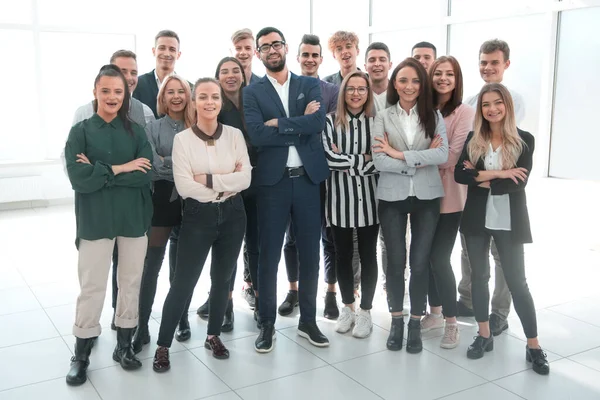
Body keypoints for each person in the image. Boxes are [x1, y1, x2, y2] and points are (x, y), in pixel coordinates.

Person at [153, 78, 251, 372]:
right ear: (194, 102)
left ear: (221, 102)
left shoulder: (234, 135)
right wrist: (225, 181)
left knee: (222, 280)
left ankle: (213, 336)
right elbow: (184, 187)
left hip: (234, 215)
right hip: (198, 217)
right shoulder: (183, 140)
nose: (210, 102)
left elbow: (244, 179)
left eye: (215, 97)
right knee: (183, 283)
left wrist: (208, 180)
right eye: (204, 97)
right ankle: (163, 345)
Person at [64, 65, 153, 385]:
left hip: (133, 218)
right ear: (95, 92)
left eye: (118, 91)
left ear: (125, 94)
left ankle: (125, 346)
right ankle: (81, 353)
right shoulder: (81, 132)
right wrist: (121, 168)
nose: (112, 96)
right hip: (95, 219)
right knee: (92, 286)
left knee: (130, 283)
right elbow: (78, 178)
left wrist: (100, 173)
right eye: (106, 90)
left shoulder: (137, 131)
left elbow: (146, 173)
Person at [244, 26, 330, 353]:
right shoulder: (253, 92)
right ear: (258, 54)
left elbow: (318, 123)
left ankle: (308, 321)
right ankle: (267, 324)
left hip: (307, 181)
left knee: (310, 254)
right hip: (272, 184)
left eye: (276, 44)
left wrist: (279, 124)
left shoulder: (309, 84)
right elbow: (256, 134)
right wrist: (298, 124)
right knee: (268, 255)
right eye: (264, 47)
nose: (271, 50)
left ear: (285, 47)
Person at [454, 83, 549, 375]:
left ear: (507, 106)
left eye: (497, 103)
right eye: (486, 104)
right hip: (475, 221)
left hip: (509, 221)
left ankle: (533, 344)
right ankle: (484, 334)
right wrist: (500, 172)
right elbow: (460, 174)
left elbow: (517, 183)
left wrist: (480, 177)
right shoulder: (473, 139)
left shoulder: (524, 140)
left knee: (517, 283)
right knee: (479, 278)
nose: (492, 109)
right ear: (480, 109)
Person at [372, 57, 448, 354]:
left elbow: (442, 154)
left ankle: (415, 321)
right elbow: (379, 160)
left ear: (422, 85)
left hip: (427, 197)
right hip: (392, 196)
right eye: (403, 80)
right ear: (394, 83)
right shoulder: (383, 116)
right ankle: (396, 320)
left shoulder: (433, 115)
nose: (409, 86)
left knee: (419, 262)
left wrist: (400, 154)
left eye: (416, 81)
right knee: (395, 261)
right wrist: (417, 160)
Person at [459, 39, 525, 335]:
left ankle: (499, 312)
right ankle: (471, 300)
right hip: (474, 197)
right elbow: (468, 160)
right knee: (470, 252)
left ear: (506, 65)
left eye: (494, 62)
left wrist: (483, 172)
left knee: (501, 257)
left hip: (503, 197)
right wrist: (487, 172)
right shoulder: (472, 100)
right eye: (483, 62)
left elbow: (508, 152)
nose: (488, 67)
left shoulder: (515, 100)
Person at [278, 33, 340, 319]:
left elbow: (331, 132)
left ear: (321, 59)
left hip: (325, 173)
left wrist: (302, 123)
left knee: (328, 236)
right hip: (294, 173)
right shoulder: (286, 87)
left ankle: (330, 293)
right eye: (306, 55)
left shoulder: (332, 91)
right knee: (292, 238)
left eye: (315, 55)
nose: (311, 59)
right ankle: (293, 290)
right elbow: (287, 127)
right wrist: (305, 120)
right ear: (298, 57)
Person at [132, 75, 195, 354]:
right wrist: (180, 165)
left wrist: (169, 162)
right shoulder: (152, 127)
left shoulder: (198, 127)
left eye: (181, 91)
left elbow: (201, 165)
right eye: (170, 91)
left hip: (192, 201)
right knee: (151, 266)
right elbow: (153, 167)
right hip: (161, 200)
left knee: (182, 269)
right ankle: (141, 324)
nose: (176, 96)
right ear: (163, 97)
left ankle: (181, 319)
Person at [420, 56, 475, 349]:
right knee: (426, 257)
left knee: (440, 258)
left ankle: (452, 323)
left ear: (457, 80)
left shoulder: (465, 112)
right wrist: (428, 154)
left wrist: (422, 156)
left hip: (450, 198)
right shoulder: (424, 109)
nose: (443, 78)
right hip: (422, 195)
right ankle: (436, 312)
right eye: (438, 73)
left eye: (449, 74)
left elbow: (453, 155)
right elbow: (416, 148)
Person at [196, 57, 257, 319]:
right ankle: (224, 302)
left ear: (244, 75)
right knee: (225, 247)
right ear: (217, 77)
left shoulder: (254, 100)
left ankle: (256, 295)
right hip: (223, 184)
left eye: (236, 71)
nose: (231, 75)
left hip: (255, 182)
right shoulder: (215, 106)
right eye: (224, 72)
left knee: (254, 244)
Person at [322, 71, 379, 338]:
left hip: (370, 201)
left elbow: (380, 160)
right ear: (343, 92)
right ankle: (348, 307)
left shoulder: (377, 123)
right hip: (339, 201)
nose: (356, 93)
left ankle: (366, 312)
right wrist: (362, 160)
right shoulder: (330, 121)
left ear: (368, 93)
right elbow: (329, 160)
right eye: (350, 89)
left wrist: (347, 158)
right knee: (342, 256)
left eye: (362, 89)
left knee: (369, 256)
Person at [133, 30, 182, 118]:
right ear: (153, 51)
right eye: (162, 48)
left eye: (172, 49)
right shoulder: (139, 84)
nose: (167, 53)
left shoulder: (186, 88)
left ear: (178, 54)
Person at [365, 42, 392, 112]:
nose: (377, 64)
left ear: (390, 65)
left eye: (382, 60)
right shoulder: (358, 94)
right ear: (365, 66)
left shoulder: (400, 93)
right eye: (372, 60)